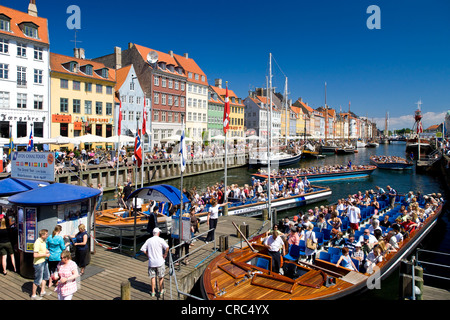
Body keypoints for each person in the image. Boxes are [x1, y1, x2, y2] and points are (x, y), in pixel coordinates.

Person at [140, 228, 169, 297]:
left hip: (151, 262)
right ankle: (161, 290)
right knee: (161, 277)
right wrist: (165, 254)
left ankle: (153, 292)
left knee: (153, 277)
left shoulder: (149, 240)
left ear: (153, 233)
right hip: (160, 261)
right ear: (158, 233)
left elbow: (142, 249)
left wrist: (148, 255)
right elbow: (167, 247)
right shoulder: (161, 240)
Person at [31, 229, 51, 300]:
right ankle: (33, 295)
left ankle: (42, 291)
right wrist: (45, 254)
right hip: (38, 263)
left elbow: (43, 249)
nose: (47, 235)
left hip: (44, 261)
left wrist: (46, 251)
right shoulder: (37, 243)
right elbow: (35, 255)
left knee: (46, 276)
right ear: (42, 235)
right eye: (46, 234)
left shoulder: (43, 241)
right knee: (37, 280)